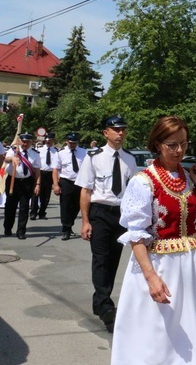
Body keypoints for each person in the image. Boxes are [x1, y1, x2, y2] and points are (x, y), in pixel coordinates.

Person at [111, 116, 196, 364]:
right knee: (157, 332)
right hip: (158, 263)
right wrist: (150, 277)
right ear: (157, 144)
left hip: (194, 264)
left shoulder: (192, 179)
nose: (179, 150)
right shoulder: (143, 181)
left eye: (183, 143)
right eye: (172, 144)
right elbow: (136, 235)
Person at [75, 115, 137, 333]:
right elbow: (85, 190)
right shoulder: (93, 157)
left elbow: (132, 191)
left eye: (123, 129)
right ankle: (106, 308)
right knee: (101, 259)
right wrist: (85, 221)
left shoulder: (130, 159)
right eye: (115, 129)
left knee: (113, 260)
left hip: (121, 215)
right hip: (100, 213)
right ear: (105, 133)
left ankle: (100, 301)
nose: (120, 133)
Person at [3, 133, 41, 239]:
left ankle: (21, 231)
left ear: (31, 142)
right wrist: (12, 159)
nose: (25, 144)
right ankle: (7, 227)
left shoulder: (35, 154)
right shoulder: (14, 150)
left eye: (27, 142)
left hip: (27, 182)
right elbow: (6, 159)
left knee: (24, 208)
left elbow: (37, 170)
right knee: (10, 206)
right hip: (13, 181)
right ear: (20, 141)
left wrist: (37, 184)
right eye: (23, 141)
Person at [54, 132, 87, 241]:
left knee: (78, 205)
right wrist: (55, 185)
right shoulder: (60, 154)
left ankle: (69, 223)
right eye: (71, 142)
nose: (73, 144)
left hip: (80, 182)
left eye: (75, 143)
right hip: (66, 181)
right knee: (66, 206)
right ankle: (66, 229)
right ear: (67, 141)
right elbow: (55, 170)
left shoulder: (84, 152)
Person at [31, 132, 59, 220]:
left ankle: (42, 213)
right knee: (36, 194)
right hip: (40, 173)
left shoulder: (56, 151)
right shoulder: (39, 150)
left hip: (50, 174)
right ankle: (33, 213)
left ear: (53, 140)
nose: (48, 142)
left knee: (46, 196)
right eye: (46, 140)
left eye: (50, 141)